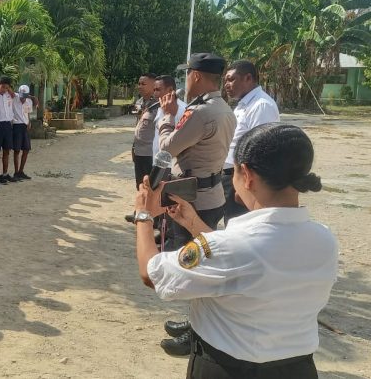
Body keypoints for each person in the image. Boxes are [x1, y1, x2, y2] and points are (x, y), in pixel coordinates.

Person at [132, 123, 337, 378]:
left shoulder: (230, 246)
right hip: (297, 368)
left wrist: (143, 214)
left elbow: (152, 274)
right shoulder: (324, 238)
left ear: (248, 175)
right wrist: (193, 223)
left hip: (229, 369)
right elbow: (238, 256)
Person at [156, 53, 236, 356]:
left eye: (187, 74)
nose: (184, 80)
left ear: (197, 76)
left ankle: (198, 335)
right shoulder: (221, 108)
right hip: (211, 194)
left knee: (193, 266)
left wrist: (167, 119)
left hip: (194, 201)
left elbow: (168, 147)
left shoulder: (202, 112)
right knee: (200, 261)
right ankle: (194, 326)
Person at [222, 60, 280, 225]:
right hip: (231, 175)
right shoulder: (243, 104)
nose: (226, 84)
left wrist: (247, 184)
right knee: (231, 223)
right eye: (225, 80)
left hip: (243, 177)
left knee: (239, 225)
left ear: (248, 78)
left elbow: (260, 149)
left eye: (231, 79)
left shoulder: (261, 105)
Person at [132, 74, 158, 189]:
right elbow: (139, 126)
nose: (140, 86)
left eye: (143, 84)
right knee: (140, 184)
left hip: (151, 153)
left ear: (153, 85)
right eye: (139, 83)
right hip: (139, 151)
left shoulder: (160, 104)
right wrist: (134, 147)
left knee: (151, 186)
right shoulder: (139, 102)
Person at [152, 75, 186, 156]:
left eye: (158, 90)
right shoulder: (161, 107)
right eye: (154, 90)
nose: (155, 93)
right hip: (158, 161)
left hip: (170, 164)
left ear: (170, 90)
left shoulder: (182, 110)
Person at [0, 76, 16, 183]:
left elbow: (15, 96)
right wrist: (0, 89)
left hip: (8, 124)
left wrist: (9, 90)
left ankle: (5, 173)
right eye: (3, 86)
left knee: (7, 150)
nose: (5, 89)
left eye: (7, 87)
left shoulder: (9, 95)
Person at [11, 84, 37, 181]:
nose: (22, 98)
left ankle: (21, 171)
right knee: (17, 150)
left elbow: (28, 113)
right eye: (21, 95)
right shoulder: (15, 98)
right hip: (17, 125)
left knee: (26, 149)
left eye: (25, 96)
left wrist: (29, 122)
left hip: (25, 126)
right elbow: (10, 91)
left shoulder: (29, 102)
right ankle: (16, 172)